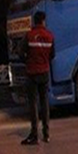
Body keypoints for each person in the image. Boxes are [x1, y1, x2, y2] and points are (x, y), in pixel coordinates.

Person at [20, 11, 55, 145]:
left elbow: (20, 53)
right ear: (43, 21)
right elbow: (52, 55)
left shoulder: (29, 36)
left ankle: (34, 135)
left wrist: (28, 62)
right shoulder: (50, 36)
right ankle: (46, 134)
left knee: (33, 104)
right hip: (44, 72)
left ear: (35, 21)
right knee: (44, 102)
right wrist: (44, 61)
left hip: (31, 72)